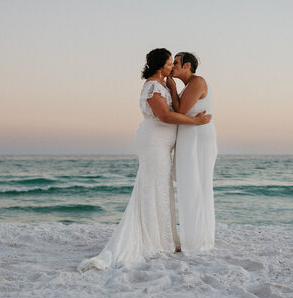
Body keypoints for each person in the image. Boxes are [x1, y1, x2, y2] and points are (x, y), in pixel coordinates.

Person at [78, 48, 211, 271]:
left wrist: (172, 88)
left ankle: (164, 240)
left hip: (160, 144)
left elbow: (173, 110)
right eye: (170, 64)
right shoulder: (151, 86)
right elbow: (165, 116)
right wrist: (196, 123)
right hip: (153, 144)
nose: (172, 68)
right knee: (153, 188)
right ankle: (152, 241)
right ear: (161, 67)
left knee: (160, 188)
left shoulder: (161, 85)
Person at [167, 52, 217, 252]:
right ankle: (194, 237)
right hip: (190, 136)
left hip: (198, 138)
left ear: (187, 65)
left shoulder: (197, 82)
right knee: (190, 186)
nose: (172, 67)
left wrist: (172, 88)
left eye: (176, 63)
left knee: (197, 186)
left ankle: (198, 240)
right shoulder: (188, 86)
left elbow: (180, 111)